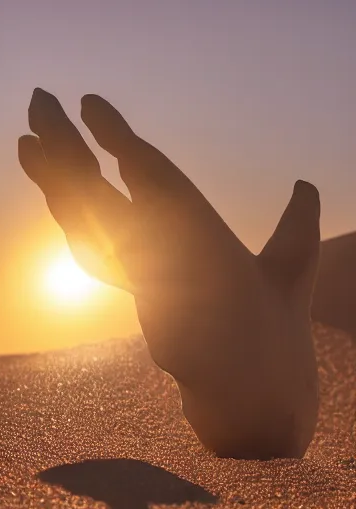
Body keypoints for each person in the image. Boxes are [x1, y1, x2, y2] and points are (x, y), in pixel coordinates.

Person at [18, 88, 321, 460]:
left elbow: (298, 238)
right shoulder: (271, 304)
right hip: (267, 413)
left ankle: (96, 168)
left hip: (253, 414)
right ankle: (95, 169)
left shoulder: (256, 308)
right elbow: (298, 238)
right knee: (109, 220)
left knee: (108, 220)